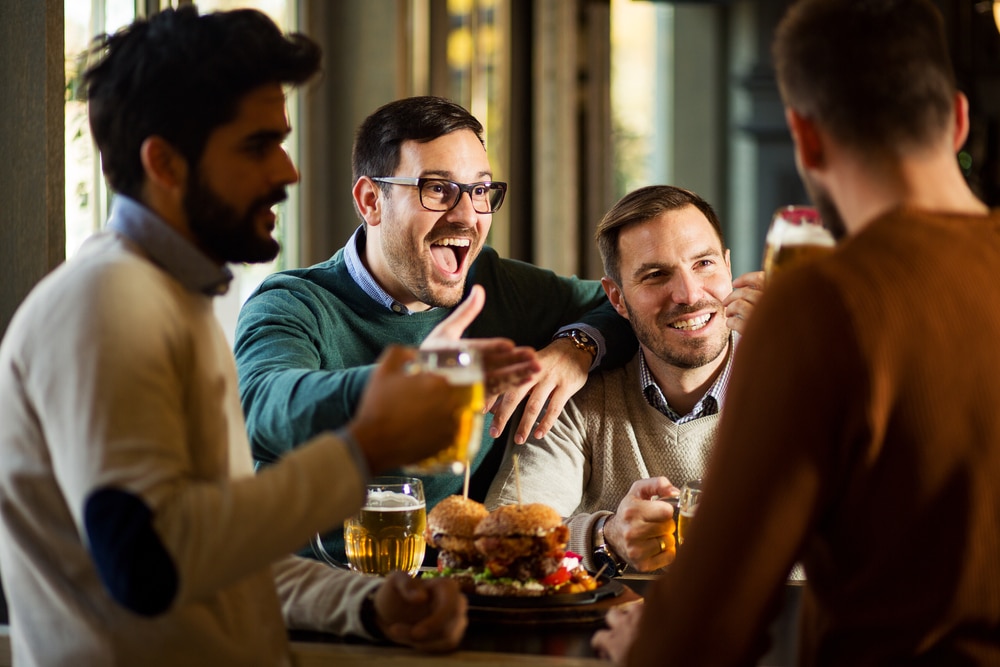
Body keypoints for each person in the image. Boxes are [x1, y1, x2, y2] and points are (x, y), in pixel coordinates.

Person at [0, 8, 489, 664]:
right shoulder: (110, 303)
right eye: (258, 146)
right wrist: (364, 445)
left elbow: (220, 551)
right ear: (166, 164)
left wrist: (365, 603)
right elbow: (153, 563)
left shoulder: (173, 301)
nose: (288, 172)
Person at [592, 0, 1000, 665]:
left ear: (804, 139)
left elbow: (704, 635)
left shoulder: (818, 306)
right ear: (957, 120)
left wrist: (652, 639)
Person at [234, 95, 637, 561]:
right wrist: (407, 384)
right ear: (371, 201)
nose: (467, 215)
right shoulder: (293, 304)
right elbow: (260, 406)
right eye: (437, 189)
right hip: (322, 602)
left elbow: (624, 305)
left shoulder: (492, 282)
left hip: (464, 598)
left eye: (480, 191)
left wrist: (576, 347)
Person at [486, 185, 764, 574]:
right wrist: (605, 538)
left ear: (728, 267)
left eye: (704, 264)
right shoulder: (575, 398)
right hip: (614, 633)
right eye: (655, 275)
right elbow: (501, 542)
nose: (688, 294)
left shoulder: (801, 380)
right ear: (616, 298)